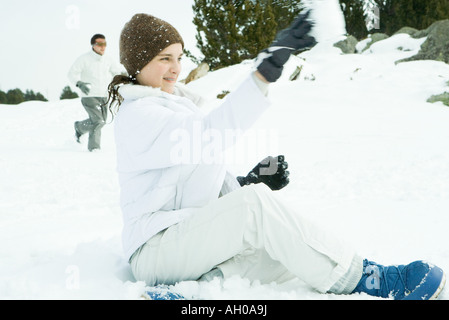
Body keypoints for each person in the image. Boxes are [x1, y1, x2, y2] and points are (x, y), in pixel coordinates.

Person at [107, 13, 446, 300]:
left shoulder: (174, 106)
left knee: (287, 252)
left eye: (179, 58)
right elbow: (206, 140)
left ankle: (193, 291)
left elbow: (187, 179)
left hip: (180, 244)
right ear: (139, 61)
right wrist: (264, 73)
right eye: (164, 58)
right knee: (254, 206)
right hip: (156, 250)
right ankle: (369, 278)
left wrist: (242, 181)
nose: (176, 68)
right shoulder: (139, 115)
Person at [68, 34, 125, 152]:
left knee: (101, 122)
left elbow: (116, 73)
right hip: (89, 95)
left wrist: (123, 78)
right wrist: (79, 83)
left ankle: (79, 128)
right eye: (99, 44)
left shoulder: (108, 60)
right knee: (98, 121)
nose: (102, 47)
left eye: (104, 44)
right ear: (93, 45)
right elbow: (72, 73)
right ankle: (94, 148)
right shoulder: (84, 59)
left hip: (104, 95)